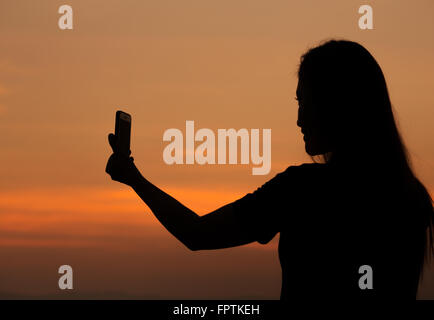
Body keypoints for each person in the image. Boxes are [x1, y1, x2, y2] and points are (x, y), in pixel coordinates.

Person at [105, 39, 433, 299]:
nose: (299, 119)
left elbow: (197, 233)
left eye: (306, 103)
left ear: (337, 106)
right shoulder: (413, 198)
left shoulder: (302, 190)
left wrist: (135, 179)